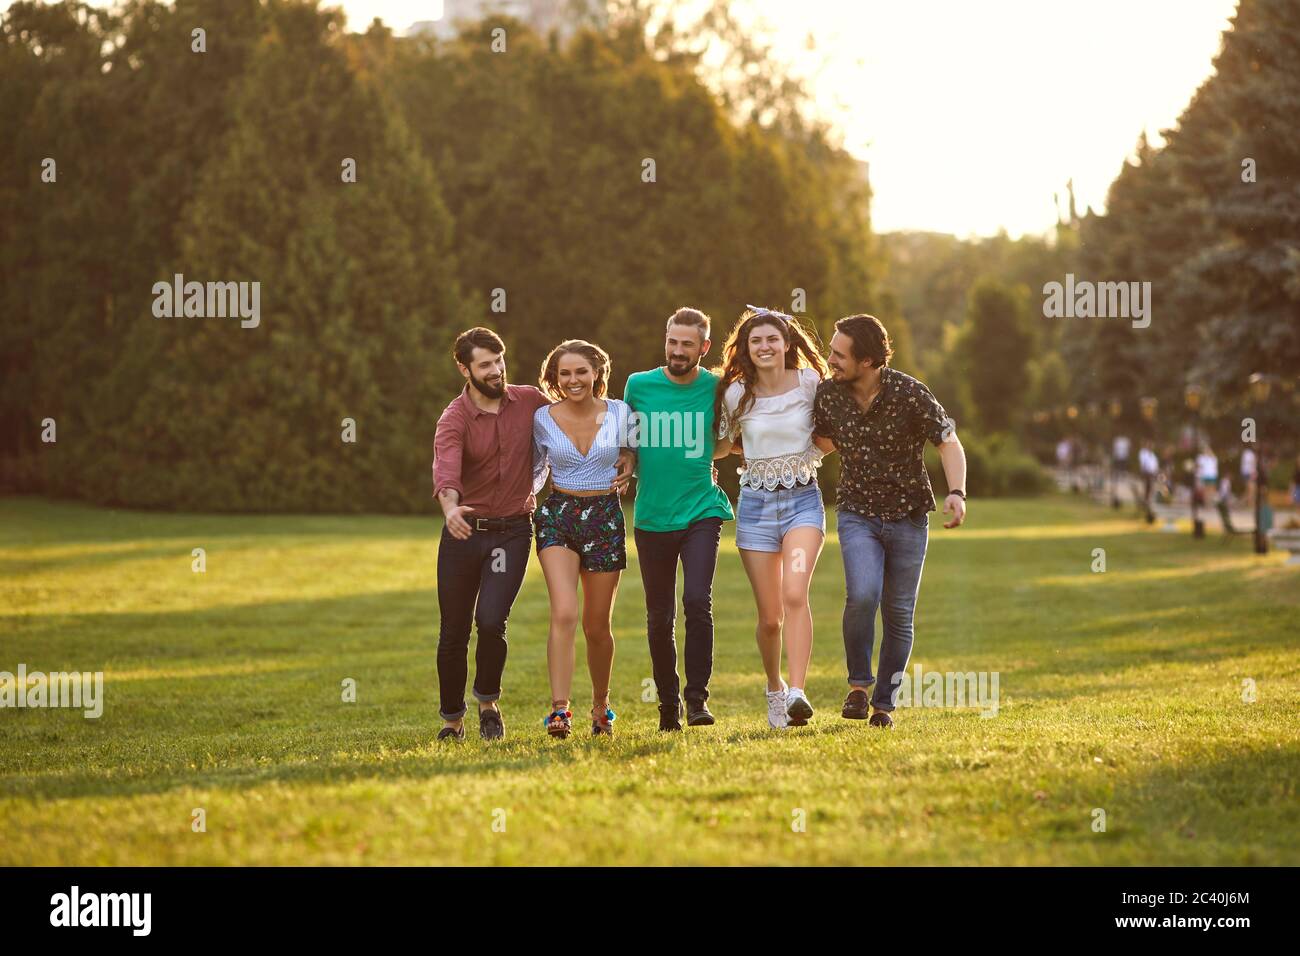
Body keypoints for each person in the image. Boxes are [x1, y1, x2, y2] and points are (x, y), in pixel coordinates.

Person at [813, 314, 967, 730]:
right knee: (862, 595)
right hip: (856, 512)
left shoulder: (910, 392)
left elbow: (947, 440)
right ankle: (859, 686)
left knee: (899, 613)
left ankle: (884, 705)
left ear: (868, 361)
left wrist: (956, 492)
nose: (830, 360)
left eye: (838, 354)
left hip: (908, 516)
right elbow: (821, 441)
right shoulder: (829, 395)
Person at [714, 306, 832, 729]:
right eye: (756, 341)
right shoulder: (735, 393)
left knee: (795, 594)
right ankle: (775, 690)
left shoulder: (809, 383)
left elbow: (832, 433)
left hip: (802, 502)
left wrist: (809, 455)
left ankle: (798, 691)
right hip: (756, 509)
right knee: (769, 617)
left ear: (787, 344)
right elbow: (726, 445)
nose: (765, 347)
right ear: (746, 349)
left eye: (772, 339)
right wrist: (674, 455)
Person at [432, 327, 551, 742]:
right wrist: (450, 509)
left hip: (513, 532)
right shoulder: (455, 418)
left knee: (491, 620)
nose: (497, 370)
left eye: (499, 360)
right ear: (465, 369)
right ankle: (452, 719)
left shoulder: (532, 402)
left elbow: (571, 425)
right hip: (464, 533)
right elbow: (446, 470)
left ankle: (488, 704)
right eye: (486, 364)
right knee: (454, 630)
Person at [623, 308, 734, 731]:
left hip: (701, 510)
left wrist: (704, 458)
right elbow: (629, 442)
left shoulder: (715, 387)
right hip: (652, 515)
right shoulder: (639, 385)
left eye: (688, 344)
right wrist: (624, 462)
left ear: (703, 348)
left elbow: (726, 442)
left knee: (696, 601)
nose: (678, 350)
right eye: (673, 341)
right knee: (659, 615)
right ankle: (667, 707)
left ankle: (697, 700)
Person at [532, 340, 634, 739]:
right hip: (559, 516)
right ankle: (559, 710)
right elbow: (534, 470)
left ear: (596, 373)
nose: (573, 380)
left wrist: (633, 461)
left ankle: (600, 705)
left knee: (596, 626)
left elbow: (640, 455)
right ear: (555, 379)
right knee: (563, 613)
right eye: (564, 373)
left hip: (605, 518)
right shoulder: (541, 418)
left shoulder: (622, 413)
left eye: (580, 372)